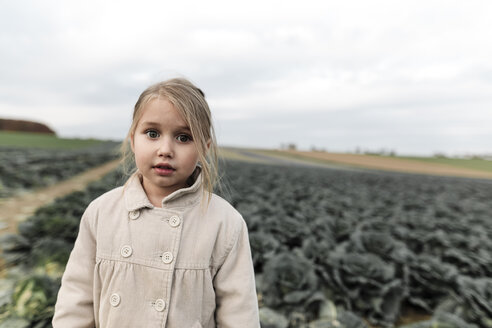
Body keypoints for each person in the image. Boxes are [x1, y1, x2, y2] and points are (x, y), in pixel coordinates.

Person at [52, 78, 260, 327]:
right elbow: (75, 303)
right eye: (152, 134)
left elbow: (239, 316)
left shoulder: (225, 223)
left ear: (204, 149)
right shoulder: (101, 212)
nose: (165, 149)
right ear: (133, 139)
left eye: (183, 137)